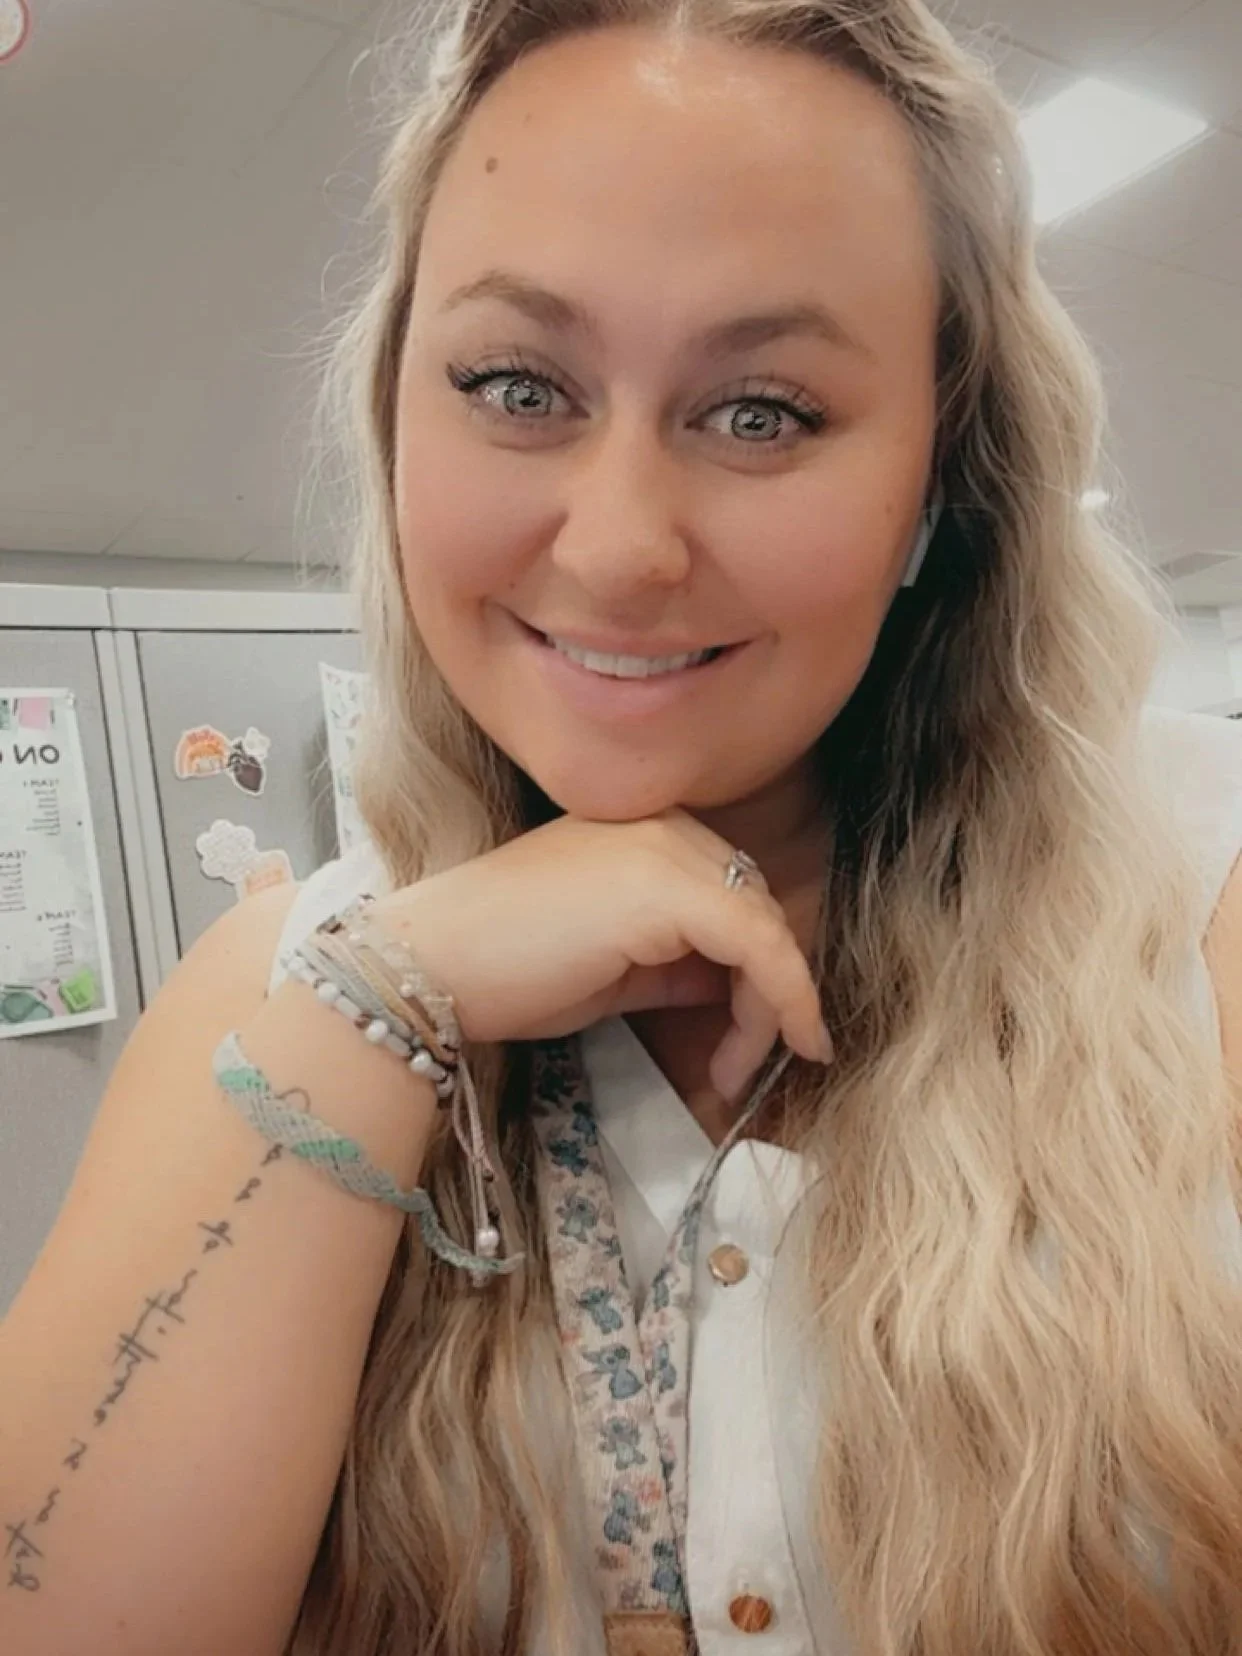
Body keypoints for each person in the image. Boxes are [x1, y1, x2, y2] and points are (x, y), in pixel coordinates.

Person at [3, 0, 1242, 1650]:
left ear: (944, 480)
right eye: (518, 384)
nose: (620, 548)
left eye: (762, 412)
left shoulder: (1202, 916)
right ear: (395, 419)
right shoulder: (275, 999)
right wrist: (386, 1007)